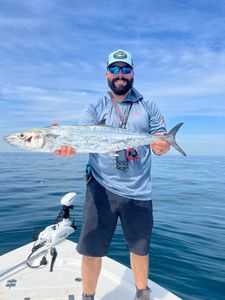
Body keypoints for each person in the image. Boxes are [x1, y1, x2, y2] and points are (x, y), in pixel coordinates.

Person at [55, 49, 170, 300]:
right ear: (107, 73)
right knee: (92, 250)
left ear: (133, 73)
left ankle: (142, 294)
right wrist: (65, 142)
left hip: (139, 190)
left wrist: (162, 145)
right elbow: (79, 137)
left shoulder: (148, 105)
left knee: (140, 249)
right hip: (100, 187)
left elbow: (160, 143)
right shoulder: (96, 106)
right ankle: (88, 296)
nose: (120, 74)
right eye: (115, 69)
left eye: (125, 69)